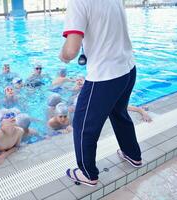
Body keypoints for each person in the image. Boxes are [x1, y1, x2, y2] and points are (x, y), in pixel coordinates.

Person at [59, 0, 142, 186]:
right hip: (128, 68)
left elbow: (71, 50)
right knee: (119, 113)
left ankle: (87, 173)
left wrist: (63, 55)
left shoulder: (78, 2)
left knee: (82, 125)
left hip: (105, 75)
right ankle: (132, 154)